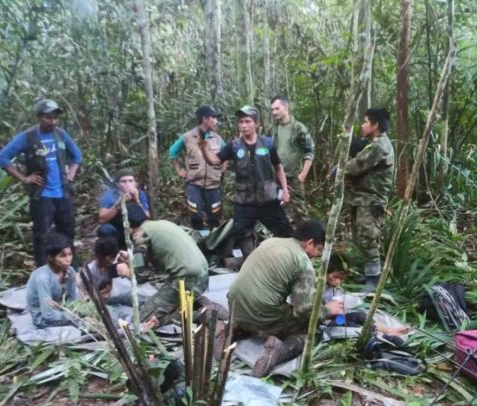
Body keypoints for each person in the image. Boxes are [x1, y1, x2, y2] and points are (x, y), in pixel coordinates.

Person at [225, 221, 344, 377]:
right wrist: (328, 310)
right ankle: (278, 351)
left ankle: (233, 329)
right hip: (261, 314)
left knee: (263, 307)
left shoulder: (270, 242)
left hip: (234, 305)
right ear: (309, 243)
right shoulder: (302, 262)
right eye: (319, 250)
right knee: (310, 332)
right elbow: (303, 310)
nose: (317, 255)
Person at [0, 99, 82, 267]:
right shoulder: (27, 137)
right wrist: (24, 178)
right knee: (42, 235)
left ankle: (72, 270)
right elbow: (2, 158)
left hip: (63, 194)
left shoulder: (61, 135)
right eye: (48, 118)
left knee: (68, 233)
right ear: (39, 117)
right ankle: (44, 271)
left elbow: (77, 156)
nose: (53, 121)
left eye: (55, 118)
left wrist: (70, 176)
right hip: (42, 196)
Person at [202, 105, 293, 255]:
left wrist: (285, 191)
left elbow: (278, 167)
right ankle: (251, 262)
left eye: (247, 121)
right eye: (241, 122)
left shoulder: (268, 143)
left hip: (268, 199)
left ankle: (289, 259)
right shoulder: (234, 146)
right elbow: (214, 160)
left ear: (256, 124)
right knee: (242, 234)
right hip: (244, 202)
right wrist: (204, 148)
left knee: (284, 231)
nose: (243, 125)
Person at [123, 204, 213, 328]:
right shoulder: (161, 224)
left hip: (186, 281)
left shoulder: (141, 235)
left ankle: (196, 315)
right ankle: (189, 306)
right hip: (203, 277)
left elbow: (140, 276)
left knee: (141, 320)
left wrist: (126, 271)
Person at [344, 108, 394, 292]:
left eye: (366, 122)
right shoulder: (372, 144)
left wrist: (339, 169)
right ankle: (368, 274)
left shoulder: (379, 146)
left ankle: (374, 280)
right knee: (359, 236)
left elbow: (356, 165)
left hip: (371, 199)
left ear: (376, 125)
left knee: (368, 237)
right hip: (362, 197)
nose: (362, 125)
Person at [168, 105, 228, 236]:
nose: (216, 121)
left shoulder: (217, 138)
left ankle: (214, 242)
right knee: (195, 215)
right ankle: (198, 240)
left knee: (215, 216)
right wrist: (179, 170)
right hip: (194, 183)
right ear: (205, 119)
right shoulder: (188, 137)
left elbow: (226, 154)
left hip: (213, 184)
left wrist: (222, 169)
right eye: (213, 118)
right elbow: (172, 152)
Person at [270, 95, 316, 227]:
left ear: (286, 107)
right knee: (278, 210)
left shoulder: (298, 128)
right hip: (277, 177)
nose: (274, 112)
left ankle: (306, 241)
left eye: (277, 108)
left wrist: (303, 175)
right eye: (272, 110)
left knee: (300, 212)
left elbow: (310, 151)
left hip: (294, 177)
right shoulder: (273, 128)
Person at [26, 233, 79, 329]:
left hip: (64, 311)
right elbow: (48, 315)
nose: (68, 259)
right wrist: (73, 317)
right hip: (44, 319)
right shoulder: (42, 278)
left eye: (70, 255)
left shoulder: (70, 271)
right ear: (50, 257)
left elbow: (74, 299)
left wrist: (77, 311)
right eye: (62, 256)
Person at [97, 168, 150, 249]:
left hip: (136, 230)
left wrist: (136, 200)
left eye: (130, 181)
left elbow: (147, 216)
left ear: (135, 183)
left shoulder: (140, 193)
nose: (127, 184)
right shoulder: (110, 195)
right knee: (104, 229)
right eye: (123, 181)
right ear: (118, 184)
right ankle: (113, 254)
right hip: (118, 230)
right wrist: (118, 205)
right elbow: (102, 219)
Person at [83, 237, 132, 306]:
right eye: (108, 258)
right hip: (103, 302)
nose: (110, 261)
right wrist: (102, 293)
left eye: (112, 257)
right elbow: (86, 297)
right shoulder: (90, 271)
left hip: (120, 295)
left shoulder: (117, 262)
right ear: (98, 255)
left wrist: (128, 263)